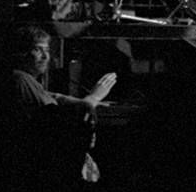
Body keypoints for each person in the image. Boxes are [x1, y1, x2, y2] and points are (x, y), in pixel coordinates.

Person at [9, 26, 117, 182]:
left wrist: (87, 100)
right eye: (38, 50)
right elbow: (55, 116)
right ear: (21, 53)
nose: (46, 56)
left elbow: (56, 97)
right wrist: (93, 98)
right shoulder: (20, 79)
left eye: (47, 50)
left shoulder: (30, 81)